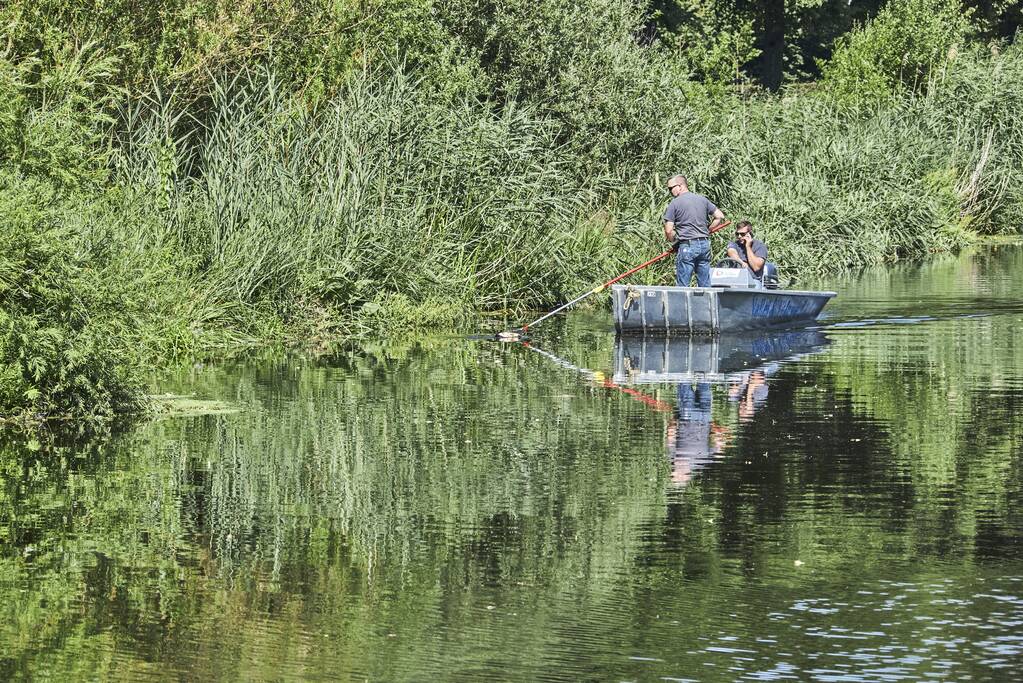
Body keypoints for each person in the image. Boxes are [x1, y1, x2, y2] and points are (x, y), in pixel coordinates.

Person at [662, 175, 725, 288]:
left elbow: (668, 229)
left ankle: (681, 305)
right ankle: (707, 305)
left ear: (680, 186)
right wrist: (708, 230)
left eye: (671, 188)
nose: (670, 191)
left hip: (687, 246)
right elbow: (719, 216)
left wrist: (673, 241)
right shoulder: (702, 199)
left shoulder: (675, 203)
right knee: (705, 284)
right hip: (704, 244)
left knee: (683, 285)